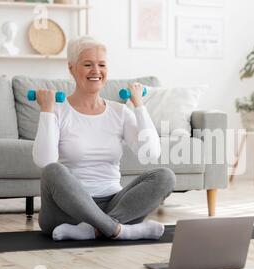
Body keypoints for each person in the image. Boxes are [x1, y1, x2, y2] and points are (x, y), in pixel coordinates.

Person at [32, 36, 175, 241]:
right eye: (88, 64)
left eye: (102, 65)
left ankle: (94, 229)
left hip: (113, 204)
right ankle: (119, 230)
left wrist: (139, 105)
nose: (96, 71)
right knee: (52, 171)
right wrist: (46, 111)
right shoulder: (58, 111)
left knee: (165, 176)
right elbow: (44, 161)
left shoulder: (120, 112)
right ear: (72, 68)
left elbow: (151, 154)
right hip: (66, 212)